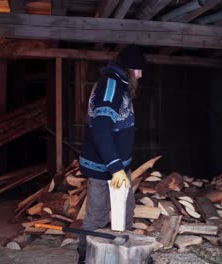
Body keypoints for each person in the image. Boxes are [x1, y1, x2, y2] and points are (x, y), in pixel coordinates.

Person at [77, 45, 145, 263]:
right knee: (97, 214)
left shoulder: (121, 86)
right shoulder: (110, 87)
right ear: (128, 69)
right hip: (103, 167)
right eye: (138, 69)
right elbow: (102, 130)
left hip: (118, 166)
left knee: (126, 211)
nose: (141, 74)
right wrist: (116, 168)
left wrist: (120, 167)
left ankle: (123, 256)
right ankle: (85, 257)